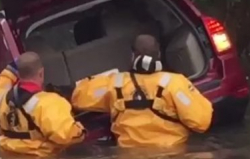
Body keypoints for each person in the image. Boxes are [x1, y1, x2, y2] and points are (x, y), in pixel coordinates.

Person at [69, 34, 213, 148]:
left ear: (133, 55)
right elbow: (202, 122)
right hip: (174, 155)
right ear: (159, 55)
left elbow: (78, 98)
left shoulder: (115, 83)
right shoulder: (174, 83)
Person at [0, 52, 86, 157]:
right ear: (41, 73)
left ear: (18, 75)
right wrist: (82, 130)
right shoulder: (50, 103)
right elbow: (68, 136)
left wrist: (10, 71)